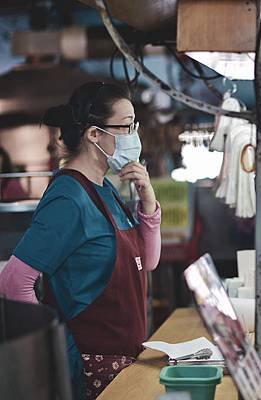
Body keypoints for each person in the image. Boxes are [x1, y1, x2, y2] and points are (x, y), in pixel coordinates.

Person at [0, 82, 162, 399]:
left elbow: (149, 262)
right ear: (94, 135)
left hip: (124, 363)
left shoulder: (106, 190)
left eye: (134, 126)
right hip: (90, 371)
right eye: (127, 126)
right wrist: (60, 347)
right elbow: (14, 282)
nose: (134, 136)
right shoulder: (68, 198)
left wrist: (148, 204)